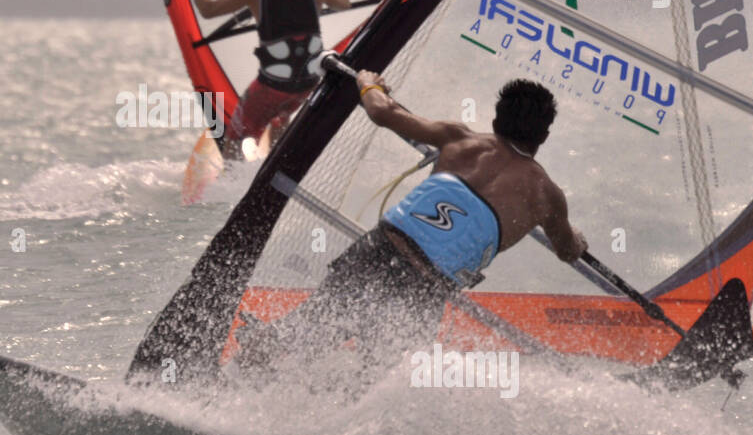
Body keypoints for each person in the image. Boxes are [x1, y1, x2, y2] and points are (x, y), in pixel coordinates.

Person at [238, 77, 589, 375]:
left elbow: (382, 111)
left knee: (305, 332)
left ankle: (235, 370)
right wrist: (577, 239)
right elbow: (567, 251)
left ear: (497, 121)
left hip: (378, 255)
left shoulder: (460, 139)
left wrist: (367, 81)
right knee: (373, 378)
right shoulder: (546, 195)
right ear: (543, 136)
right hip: (424, 290)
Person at [181, 0, 350, 160]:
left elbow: (208, 10)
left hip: (273, 86)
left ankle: (234, 183)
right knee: (281, 116)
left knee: (234, 139)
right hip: (306, 84)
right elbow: (343, 2)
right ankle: (277, 166)